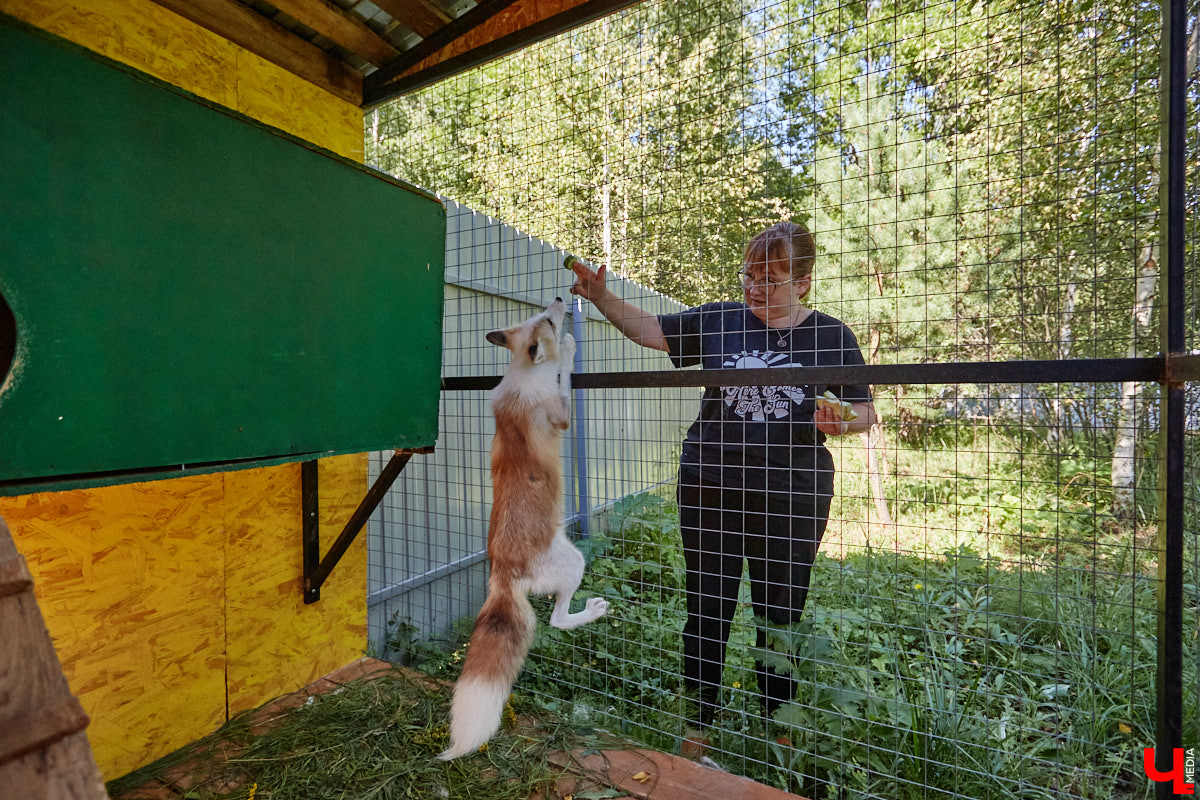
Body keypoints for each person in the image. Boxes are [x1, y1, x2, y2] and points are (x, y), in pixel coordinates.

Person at [569, 221, 876, 733]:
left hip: (791, 495)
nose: (755, 288)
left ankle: (777, 726)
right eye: (748, 276)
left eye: (770, 279)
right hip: (710, 485)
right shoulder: (722, 320)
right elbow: (652, 330)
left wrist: (842, 419)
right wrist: (603, 298)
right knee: (707, 606)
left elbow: (866, 411)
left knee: (779, 614)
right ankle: (699, 723)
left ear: (802, 282)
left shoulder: (831, 334)